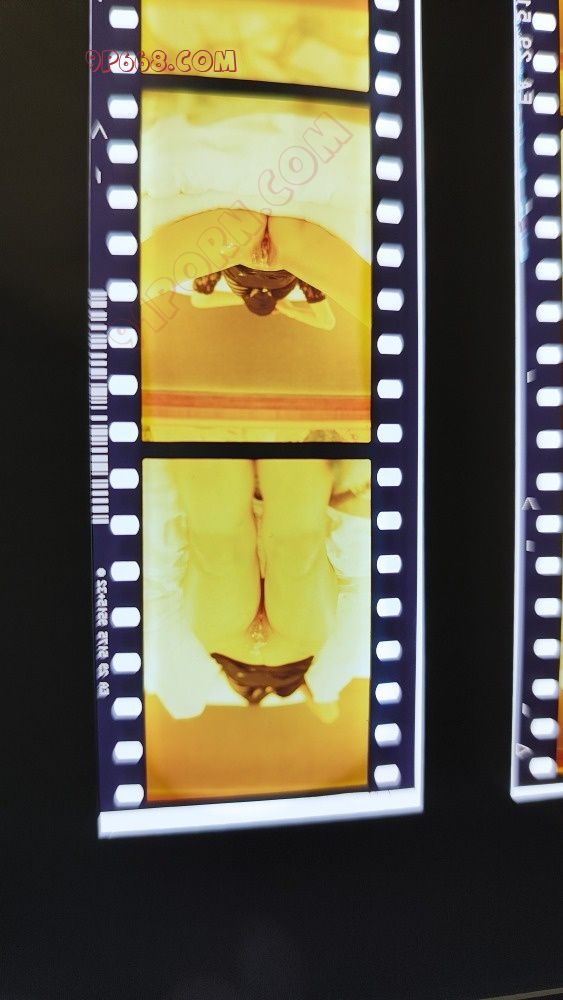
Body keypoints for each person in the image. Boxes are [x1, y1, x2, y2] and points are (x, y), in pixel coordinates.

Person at [143, 458, 371, 719]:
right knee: (295, 552)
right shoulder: (309, 686)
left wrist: (321, 696)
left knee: (220, 552)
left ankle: (218, 441)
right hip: (292, 651)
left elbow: (182, 703)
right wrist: (320, 694)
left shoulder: (212, 685)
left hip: (229, 647)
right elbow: (328, 709)